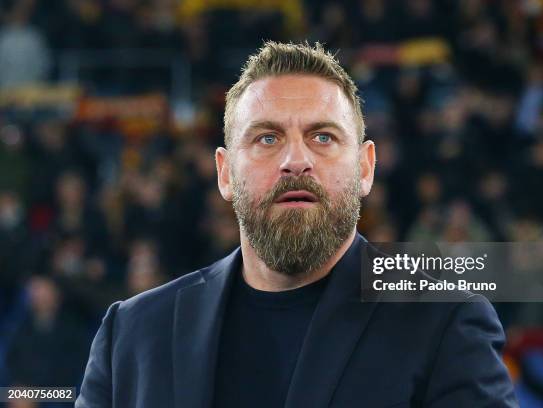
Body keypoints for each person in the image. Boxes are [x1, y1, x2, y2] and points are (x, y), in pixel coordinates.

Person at [76, 41, 518, 408]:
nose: (295, 161)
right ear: (225, 173)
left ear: (365, 169)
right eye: (267, 138)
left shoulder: (443, 320)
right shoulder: (133, 334)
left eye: (322, 137)